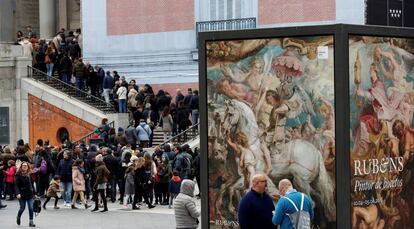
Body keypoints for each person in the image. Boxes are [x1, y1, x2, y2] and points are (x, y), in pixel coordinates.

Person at [14, 161, 36, 227]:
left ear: (27, 167)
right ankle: (18, 217)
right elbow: (16, 185)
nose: (25, 166)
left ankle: (31, 222)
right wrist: (17, 193)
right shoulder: (17, 174)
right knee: (22, 208)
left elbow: (31, 184)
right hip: (21, 194)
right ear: (21, 166)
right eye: (23, 165)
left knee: (31, 208)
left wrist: (35, 193)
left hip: (29, 194)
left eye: (26, 165)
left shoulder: (29, 173)